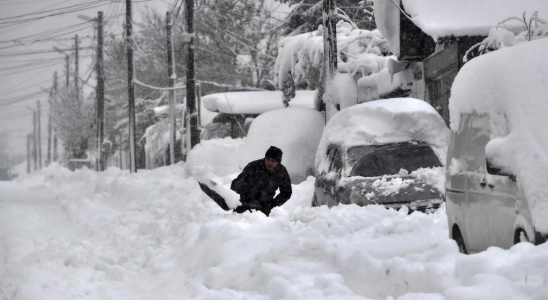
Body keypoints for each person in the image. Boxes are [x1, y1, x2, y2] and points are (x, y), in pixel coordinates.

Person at [230, 146, 292, 216]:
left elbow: (286, 193)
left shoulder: (281, 172)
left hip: (264, 209)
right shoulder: (253, 166)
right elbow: (235, 185)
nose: (270, 163)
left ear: (278, 162)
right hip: (244, 206)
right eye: (268, 159)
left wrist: (272, 204)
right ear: (265, 158)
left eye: (273, 161)